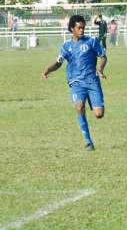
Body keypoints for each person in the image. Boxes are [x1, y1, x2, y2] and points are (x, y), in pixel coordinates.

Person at [41, 15, 107, 151]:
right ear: (72, 28)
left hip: (92, 81)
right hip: (76, 82)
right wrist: (48, 70)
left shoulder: (92, 41)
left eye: (83, 28)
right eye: (79, 28)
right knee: (79, 107)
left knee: (99, 114)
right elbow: (59, 63)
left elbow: (103, 57)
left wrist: (100, 69)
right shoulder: (66, 46)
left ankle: (91, 99)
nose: (82, 30)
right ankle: (88, 142)